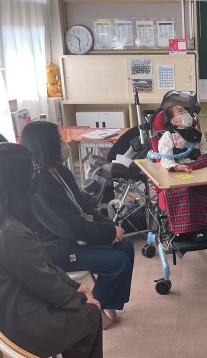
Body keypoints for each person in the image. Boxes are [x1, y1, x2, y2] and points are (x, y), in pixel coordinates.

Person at [0, 143, 102, 358]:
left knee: (77, 308)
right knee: (89, 315)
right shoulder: (9, 232)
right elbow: (44, 281)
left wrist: (74, 287)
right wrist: (80, 298)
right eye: (32, 171)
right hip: (8, 327)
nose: (35, 175)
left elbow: (41, 265)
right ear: (16, 180)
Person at [20, 121, 134, 330]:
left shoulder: (60, 172)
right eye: (59, 139)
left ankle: (106, 303)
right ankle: (91, 313)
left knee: (126, 247)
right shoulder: (39, 184)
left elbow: (85, 206)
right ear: (46, 144)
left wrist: (108, 225)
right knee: (117, 262)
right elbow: (68, 227)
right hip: (56, 248)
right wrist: (109, 232)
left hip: (74, 239)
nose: (65, 143)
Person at [158, 104, 207, 240]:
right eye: (181, 111)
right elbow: (165, 159)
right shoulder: (169, 135)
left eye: (185, 109)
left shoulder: (197, 134)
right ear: (173, 121)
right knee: (189, 190)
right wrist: (177, 167)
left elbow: (206, 153)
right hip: (180, 172)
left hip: (198, 169)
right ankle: (191, 230)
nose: (186, 112)